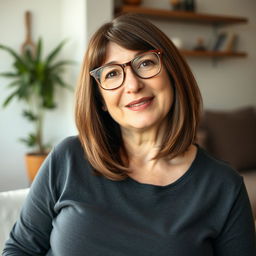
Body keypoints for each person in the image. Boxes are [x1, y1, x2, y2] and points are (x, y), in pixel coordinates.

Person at [3, 14, 256, 256]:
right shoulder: (68, 158)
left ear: (172, 73)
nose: (133, 85)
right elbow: (19, 250)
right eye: (112, 73)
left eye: (145, 63)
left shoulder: (224, 186)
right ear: (100, 99)